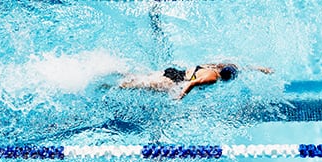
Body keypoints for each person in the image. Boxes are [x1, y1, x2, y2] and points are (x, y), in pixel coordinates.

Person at [117, 63, 274, 99]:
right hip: (172, 82)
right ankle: (111, 85)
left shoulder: (215, 67)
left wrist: (261, 69)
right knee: (136, 85)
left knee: (141, 78)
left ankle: (116, 71)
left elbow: (241, 67)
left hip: (173, 72)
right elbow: (191, 83)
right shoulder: (213, 78)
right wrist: (180, 97)